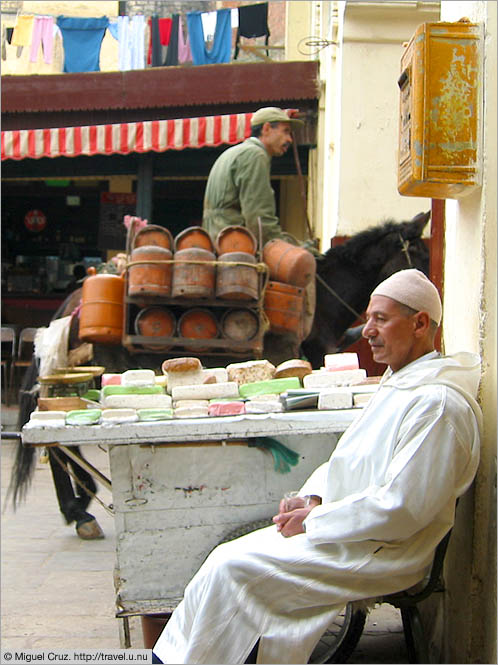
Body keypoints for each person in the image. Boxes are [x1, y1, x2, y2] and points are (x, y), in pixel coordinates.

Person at [152, 268, 482, 665]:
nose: (367, 331)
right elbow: (352, 459)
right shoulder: (401, 383)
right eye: (368, 318)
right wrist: (313, 497)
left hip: (385, 549)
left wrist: (318, 519)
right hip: (351, 528)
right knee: (223, 559)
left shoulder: (437, 404)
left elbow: (403, 507)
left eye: (381, 318)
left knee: (234, 570)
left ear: (420, 323)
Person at [202, 106, 304, 247]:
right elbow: (259, 218)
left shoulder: (236, 152)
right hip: (235, 247)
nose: (290, 139)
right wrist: (283, 246)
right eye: (286, 131)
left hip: (219, 241)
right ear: (266, 128)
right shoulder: (255, 155)